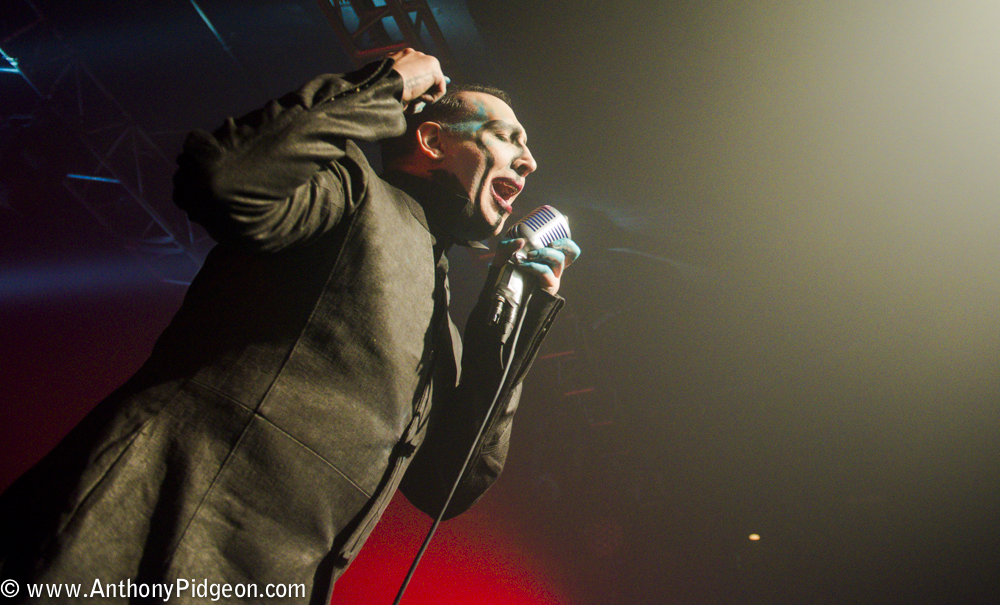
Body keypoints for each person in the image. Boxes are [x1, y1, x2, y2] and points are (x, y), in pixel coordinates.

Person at [0, 48, 579, 604]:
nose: (529, 161)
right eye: (507, 137)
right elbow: (226, 176)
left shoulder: (442, 330)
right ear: (431, 141)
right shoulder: (353, 191)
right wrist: (385, 85)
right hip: (141, 536)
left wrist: (515, 313)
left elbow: (447, 483)